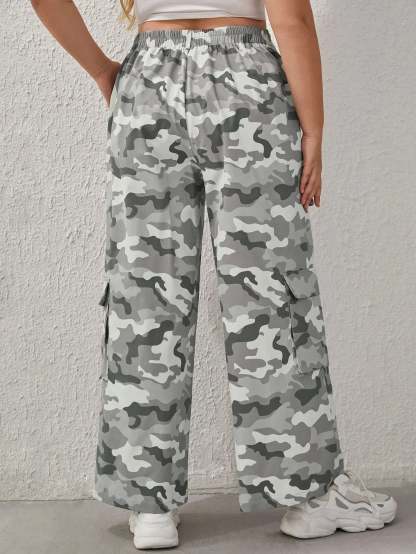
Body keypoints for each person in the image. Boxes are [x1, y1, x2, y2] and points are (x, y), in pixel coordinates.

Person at [31, 0, 398, 550]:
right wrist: (314, 130)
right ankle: (308, 495)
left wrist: (104, 71)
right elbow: (292, 20)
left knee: (144, 299)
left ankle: (150, 506)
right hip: (246, 86)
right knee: (271, 291)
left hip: (146, 84)